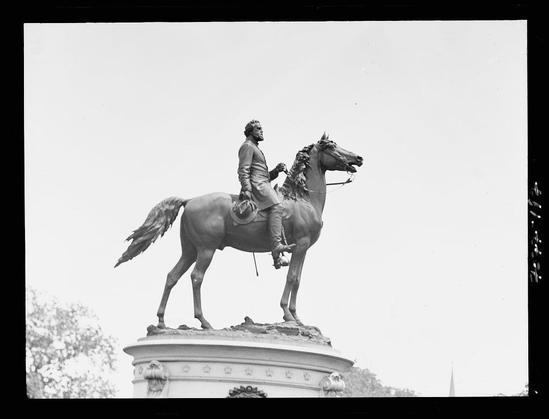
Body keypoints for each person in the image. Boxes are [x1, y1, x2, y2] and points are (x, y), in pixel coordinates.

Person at [237, 120, 296, 268]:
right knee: (277, 206)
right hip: (257, 186)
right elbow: (243, 170)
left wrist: (276, 170)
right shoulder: (247, 146)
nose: (261, 131)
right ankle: (276, 246)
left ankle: (277, 256)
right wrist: (247, 189)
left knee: (278, 205)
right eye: (258, 128)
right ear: (251, 131)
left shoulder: (255, 147)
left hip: (262, 183)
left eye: (261, 128)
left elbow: (262, 175)